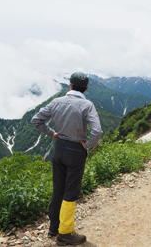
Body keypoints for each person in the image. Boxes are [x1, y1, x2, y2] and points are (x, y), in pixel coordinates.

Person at [31, 72, 103, 245]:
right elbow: (97, 131)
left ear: (70, 85)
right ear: (86, 88)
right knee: (71, 192)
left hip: (59, 149)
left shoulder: (57, 102)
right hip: (76, 151)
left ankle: (54, 227)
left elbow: (36, 120)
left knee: (58, 189)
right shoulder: (87, 105)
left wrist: (53, 134)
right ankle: (65, 234)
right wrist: (88, 146)